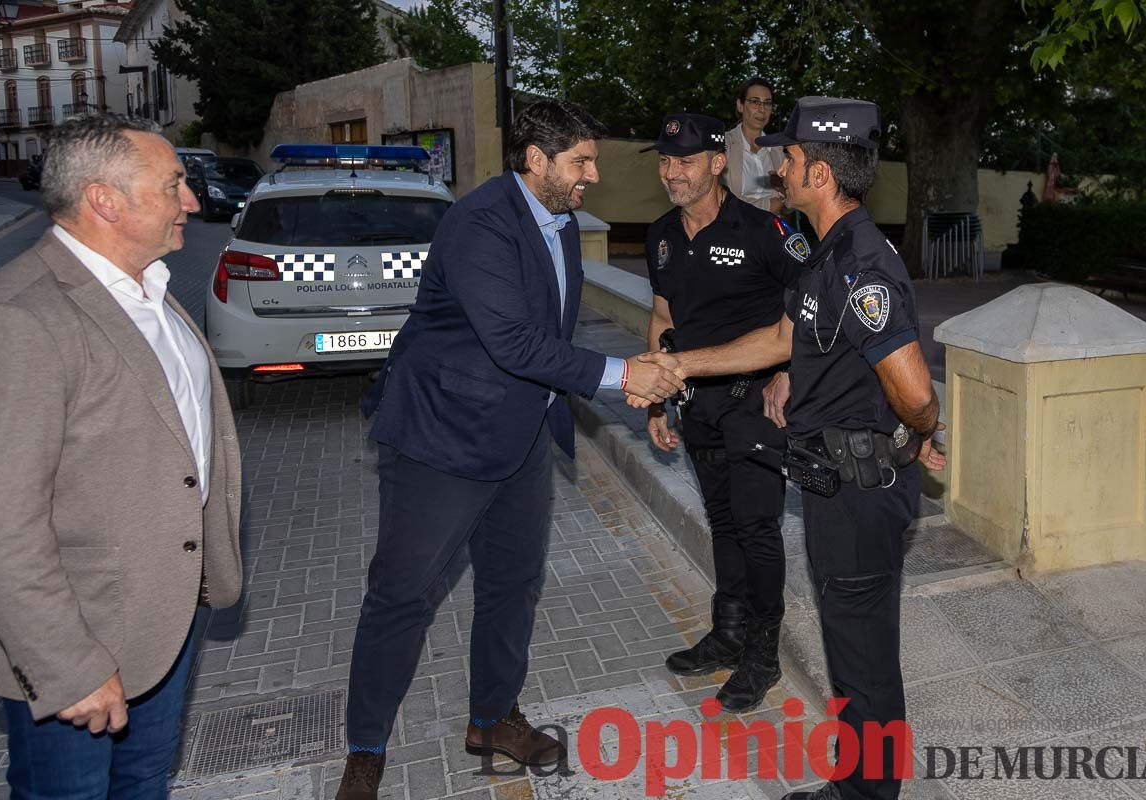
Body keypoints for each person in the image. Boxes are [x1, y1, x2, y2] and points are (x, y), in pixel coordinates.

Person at [337, 100, 688, 799]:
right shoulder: (479, 224)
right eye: (580, 161)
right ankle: (365, 749)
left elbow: (548, 335)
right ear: (536, 161)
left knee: (512, 585)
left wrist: (617, 383)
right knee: (402, 596)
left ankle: (493, 719)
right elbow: (516, 343)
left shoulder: (557, 223)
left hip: (521, 434)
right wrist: (624, 376)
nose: (592, 173)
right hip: (442, 435)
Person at [634, 97, 947, 800]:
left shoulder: (857, 264)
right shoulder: (829, 254)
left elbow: (916, 389)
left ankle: (866, 792)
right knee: (851, 647)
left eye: (794, 158)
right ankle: (859, 780)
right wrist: (681, 367)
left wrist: (922, 431)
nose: (781, 167)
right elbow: (781, 340)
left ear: (824, 175)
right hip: (838, 481)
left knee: (863, 656)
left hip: (861, 490)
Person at [0, 114, 242, 798]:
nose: (190, 200)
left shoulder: (152, 292)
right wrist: (68, 665)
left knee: (144, 782)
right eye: (173, 184)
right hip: (80, 640)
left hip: (165, 620)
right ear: (105, 200)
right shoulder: (20, 316)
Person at [640, 112, 809, 713]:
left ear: (717, 164)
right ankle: (729, 632)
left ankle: (763, 652)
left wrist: (789, 374)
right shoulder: (660, 234)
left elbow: (809, 314)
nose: (671, 172)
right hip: (696, 405)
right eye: (664, 160)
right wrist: (658, 397)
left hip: (757, 403)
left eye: (684, 161)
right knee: (723, 520)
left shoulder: (768, 231)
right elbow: (664, 320)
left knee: (758, 527)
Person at [723, 78, 786, 214]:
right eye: (755, 102)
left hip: (772, 230)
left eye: (767, 103)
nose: (762, 109)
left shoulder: (777, 149)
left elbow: (790, 204)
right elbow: (722, 201)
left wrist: (784, 192)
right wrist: (770, 205)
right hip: (733, 230)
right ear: (740, 105)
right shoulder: (724, 144)